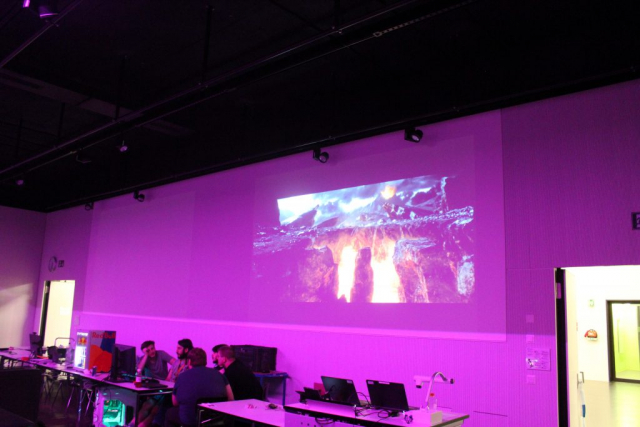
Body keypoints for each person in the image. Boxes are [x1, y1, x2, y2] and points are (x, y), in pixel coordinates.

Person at [165, 348, 233, 427]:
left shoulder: (182, 377)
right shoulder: (220, 375)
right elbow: (231, 399)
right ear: (205, 361)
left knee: (170, 413)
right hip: (216, 420)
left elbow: (175, 402)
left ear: (189, 361)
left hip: (190, 420)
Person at [136, 340, 176, 427]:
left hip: (165, 387)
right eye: (148, 350)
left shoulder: (161, 354)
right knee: (146, 405)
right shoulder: (144, 358)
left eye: (152, 348)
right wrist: (146, 355)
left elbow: (175, 363)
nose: (151, 351)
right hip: (154, 386)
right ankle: (132, 424)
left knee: (155, 409)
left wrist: (168, 377)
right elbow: (139, 370)